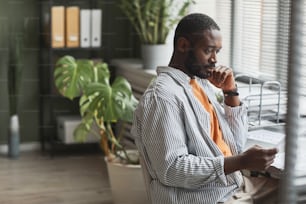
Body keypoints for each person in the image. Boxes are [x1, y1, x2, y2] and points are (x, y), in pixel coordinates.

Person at [131, 13, 279, 204]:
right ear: (183, 45)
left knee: (293, 188)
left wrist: (230, 92)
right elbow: (172, 170)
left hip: (231, 185)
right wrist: (242, 162)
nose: (214, 59)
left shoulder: (200, 85)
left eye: (217, 51)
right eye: (208, 50)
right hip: (205, 198)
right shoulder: (163, 97)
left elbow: (235, 146)